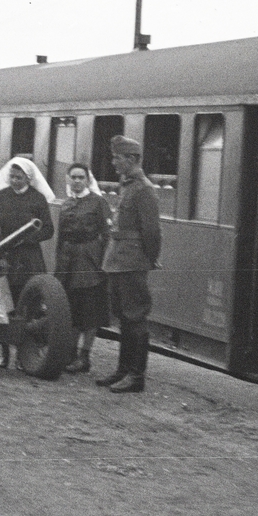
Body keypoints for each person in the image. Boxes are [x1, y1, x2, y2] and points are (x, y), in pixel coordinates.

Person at [96, 135, 161, 393]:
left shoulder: (144, 189)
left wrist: (149, 258)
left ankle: (136, 376)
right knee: (125, 317)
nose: (113, 162)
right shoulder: (129, 186)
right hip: (120, 260)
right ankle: (123, 370)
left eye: (117, 157)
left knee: (136, 317)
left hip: (133, 261)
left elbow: (152, 232)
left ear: (132, 159)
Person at [0, 156, 55, 368]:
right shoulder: (3, 195)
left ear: (28, 178)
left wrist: (27, 239)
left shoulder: (37, 199)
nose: (15, 180)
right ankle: (5, 354)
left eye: (19, 177)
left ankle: (22, 357)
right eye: (12, 176)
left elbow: (48, 229)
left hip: (28, 258)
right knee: (5, 304)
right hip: (6, 255)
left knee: (28, 306)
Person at [56, 162, 111, 374]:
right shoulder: (66, 204)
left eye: (81, 177)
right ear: (69, 180)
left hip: (89, 263)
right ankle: (70, 354)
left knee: (89, 312)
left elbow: (107, 235)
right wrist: (59, 265)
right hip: (68, 263)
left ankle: (84, 356)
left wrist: (102, 264)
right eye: (74, 177)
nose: (77, 181)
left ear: (88, 180)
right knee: (71, 310)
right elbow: (61, 238)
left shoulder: (98, 203)